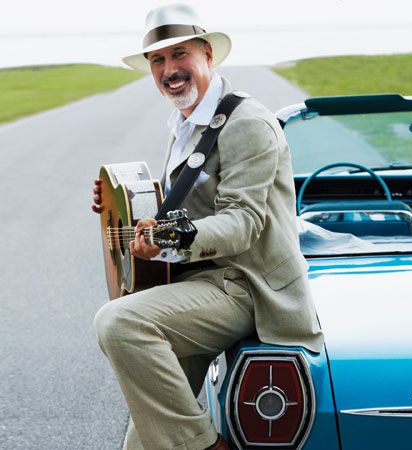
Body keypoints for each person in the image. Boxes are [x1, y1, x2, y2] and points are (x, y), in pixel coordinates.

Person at [92, 4, 323, 450]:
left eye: (180, 54)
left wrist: (168, 238)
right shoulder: (187, 122)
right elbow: (183, 202)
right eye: (157, 60)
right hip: (198, 284)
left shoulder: (247, 123)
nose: (169, 70)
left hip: (249, 287)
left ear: (208, 55)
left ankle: (204, 445)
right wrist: (115, 207)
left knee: (119, 323)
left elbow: (243, 222)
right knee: (146, 441)